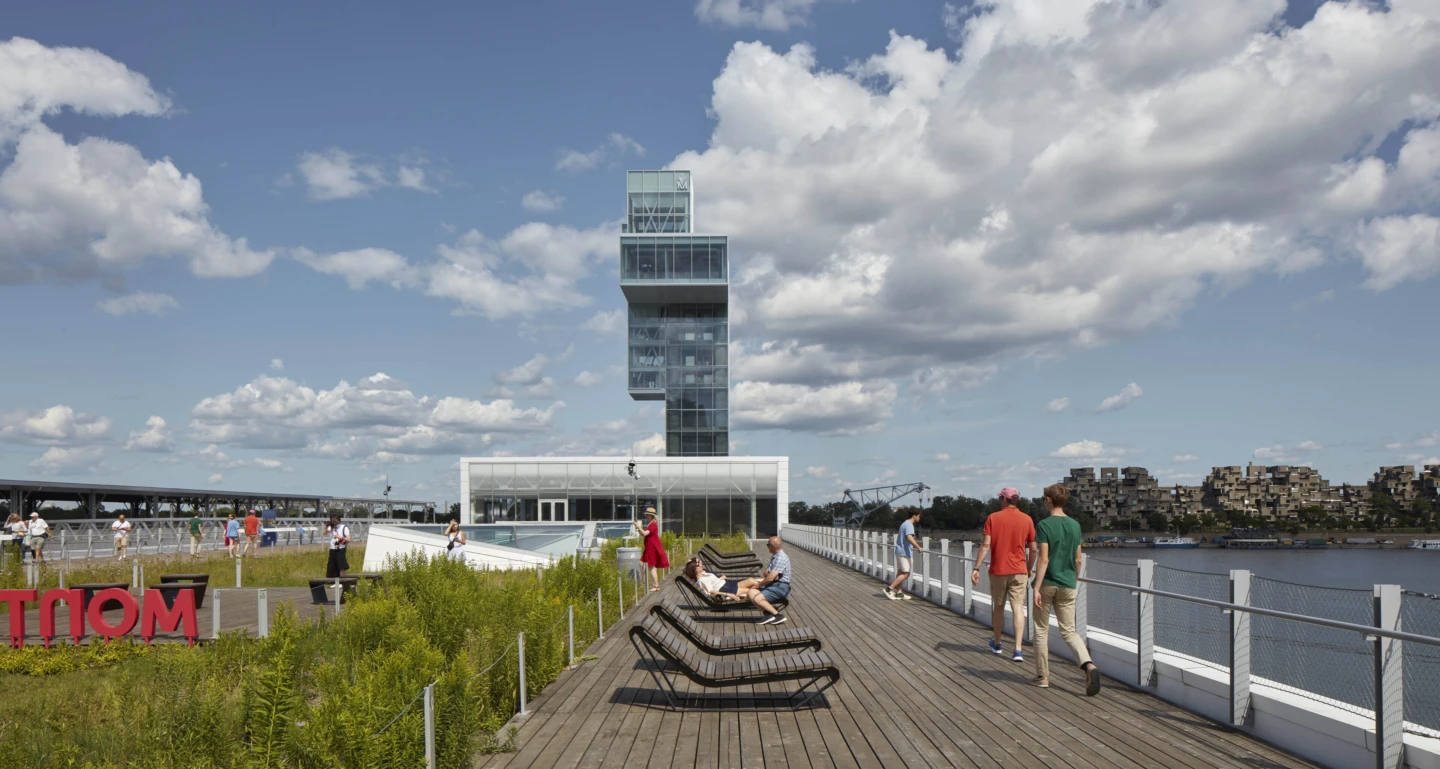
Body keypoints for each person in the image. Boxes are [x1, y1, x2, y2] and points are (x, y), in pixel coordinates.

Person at [1032, 484, 1101, 695]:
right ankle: (1088, 664)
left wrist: (1036, 587)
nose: (1044, 502)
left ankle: (1043, 676)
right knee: (1069, 631)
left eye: (1045, 499)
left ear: (1050, 500)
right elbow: (1078, 559)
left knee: (1041, 630)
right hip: (1068, 584)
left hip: (1047, 584)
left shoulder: (1044, 525)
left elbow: (1043, 559)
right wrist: (1074, 579)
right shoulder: (1075, 525)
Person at [971, 487, 1035, 662]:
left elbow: (985, 546)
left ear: (1005, 500)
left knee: (998, 607)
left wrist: (976, 568)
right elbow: (1034, 548)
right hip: (1019, 570)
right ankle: (1018, 649)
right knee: (1018, 608)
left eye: (1001, 498)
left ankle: (997, 643)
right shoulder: (1027, 519)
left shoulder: (993, 518)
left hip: (999, 570)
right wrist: (1029, 567)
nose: (1000, 500)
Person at [750, 536, 791, 625]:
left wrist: (758, 585)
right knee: (751, 592)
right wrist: (770, 576)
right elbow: (767, 573)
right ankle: (767, 614)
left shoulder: (780, 558)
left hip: (780, 586)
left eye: (768, 545)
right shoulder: (775, 556)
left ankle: (778, 616)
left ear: (773, 546)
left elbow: (770, 577)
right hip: (774, 584)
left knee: (757, 598)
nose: (767, 546)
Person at [885, 509, 924, 600]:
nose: (920, 518)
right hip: (904, 552)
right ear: (914, 516)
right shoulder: (909, 525)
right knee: (906, 573)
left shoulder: (905, 523)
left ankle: (899, 593)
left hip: (900, 551)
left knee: (900, 573)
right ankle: (889, 589)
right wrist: (918, 547)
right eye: (919, 516)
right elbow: (909, 537)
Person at [684, 558, 762, 599]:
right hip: (725, 589)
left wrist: (720, 578)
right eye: (698, 565)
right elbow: (711, 592)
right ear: (695, 569)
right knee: (752, 591)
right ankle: (768, 595)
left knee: (751, 581)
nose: (700, 564)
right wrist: (728, 595)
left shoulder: (704, 573)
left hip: (727, 584)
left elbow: (714, 582)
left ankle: (768, 587)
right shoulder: (702, 580)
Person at [634, 506, 670, 592]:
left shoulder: (653, 525)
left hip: (652, 548)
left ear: (651, 516)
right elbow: (643, 534)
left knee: (652, 567)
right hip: (649, 548)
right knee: (641, 563)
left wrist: (638, 527)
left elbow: (645, 533)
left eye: (647, 515)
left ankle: (656, 585)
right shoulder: (651, 524)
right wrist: (638, 528)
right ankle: (644, 582)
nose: (646, 516)